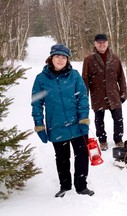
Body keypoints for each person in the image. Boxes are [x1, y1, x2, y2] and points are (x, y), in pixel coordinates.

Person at [31, 43, 94, 198]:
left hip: (77, 124)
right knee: (62, 158)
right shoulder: (41, 79)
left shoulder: (74, 76)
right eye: (57, 56)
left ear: (67, 60)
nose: (60, 60)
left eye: (63, 57)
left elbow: (83, 99)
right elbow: (36, 104)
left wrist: (84, 118)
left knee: (82, 155)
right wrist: (39, 125)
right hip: (57, 126)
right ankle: (65, 186)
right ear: (51, 58)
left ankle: (81, 186)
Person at [82, 34, 127, 151]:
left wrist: (123, 93)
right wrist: (83, 98)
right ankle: (102, 140)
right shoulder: (89, 60)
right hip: (98, 95)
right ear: (95, 44)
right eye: (99, 42)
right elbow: (85, 80)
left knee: (118, 119)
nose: (102, 44)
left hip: (114, 94)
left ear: (107, 43)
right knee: (99, 120)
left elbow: (121, 77)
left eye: (104, 42)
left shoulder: (115, 58)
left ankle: (118, 139)